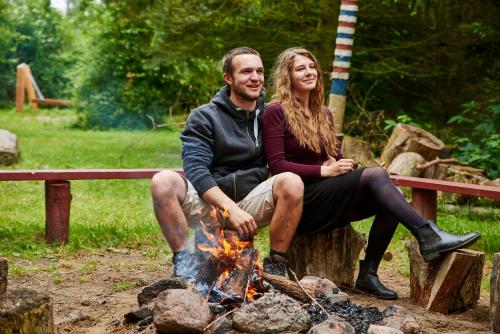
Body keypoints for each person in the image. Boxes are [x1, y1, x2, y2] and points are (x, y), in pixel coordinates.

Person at [262, 47, 480, 300]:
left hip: (329, 195)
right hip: (300, 201)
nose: (309, 72)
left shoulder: (324, 113)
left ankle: (369, 273)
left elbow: (334, 158)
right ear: (287, 76)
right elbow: (277, 166)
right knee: (376, 175)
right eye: (300, 68)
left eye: (312, 67)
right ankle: (428, 236)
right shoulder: (275, 111)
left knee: (392, 196)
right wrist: (325, 170)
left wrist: (342, 164)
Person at [151, 47, 303, 279]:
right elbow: (195, 169)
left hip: (252, 202)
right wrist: (229, 208)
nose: (255, 77)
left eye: (259, 71)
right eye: (246, 71)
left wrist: (330, 160)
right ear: (228, 78)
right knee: (162, 181)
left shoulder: (272, 114)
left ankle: (275, 267)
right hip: (209, 204)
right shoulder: (204, 116)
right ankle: (183, 265)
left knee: (291, 182)